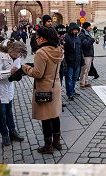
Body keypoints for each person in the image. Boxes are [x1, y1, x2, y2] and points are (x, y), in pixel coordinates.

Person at [22, 26, 64, 154]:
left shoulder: (41, 52)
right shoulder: (58, 50)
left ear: (43, 38)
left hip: (44, 89)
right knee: (55, 116)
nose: (36, 39)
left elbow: (38, 73)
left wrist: (25, 68)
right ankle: (57, 142)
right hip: (55, 86)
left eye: (37, 37)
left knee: (46, 118)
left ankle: (48, 146)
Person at [0, 39, 27, 147]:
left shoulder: (16, 56)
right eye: (17, 54)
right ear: (11, 50)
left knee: (9, 111)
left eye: (20, 55)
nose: (18, 56)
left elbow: (16, 69)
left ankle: (12, 132)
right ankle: (5, 135)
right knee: (2, 113)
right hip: (0, 88)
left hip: (9, 87)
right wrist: (10, 72)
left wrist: (19, 74)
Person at [64, 23, 83, 101]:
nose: (76, 31)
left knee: (75, 78)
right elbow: (64, 50)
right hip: (70, 62)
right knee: (69, 78)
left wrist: (82, 60)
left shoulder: (77, 38)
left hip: (77, 61)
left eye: (77, 30)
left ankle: (72, 90)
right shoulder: (66, 38)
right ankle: (69, 93)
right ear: (71, 30)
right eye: (74, 30)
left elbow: (80, 50)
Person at [79, 22, 95, 89]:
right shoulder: (82, 35)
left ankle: (85, 82)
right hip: (85, 54)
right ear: (86, 27)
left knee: (87, 69)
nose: (90, 28)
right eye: (89, 26)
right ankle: (82, 83)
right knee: (84, 70)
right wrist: (92, 40)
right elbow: (85, 44)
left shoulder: (87, 34)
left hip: (89, 54)